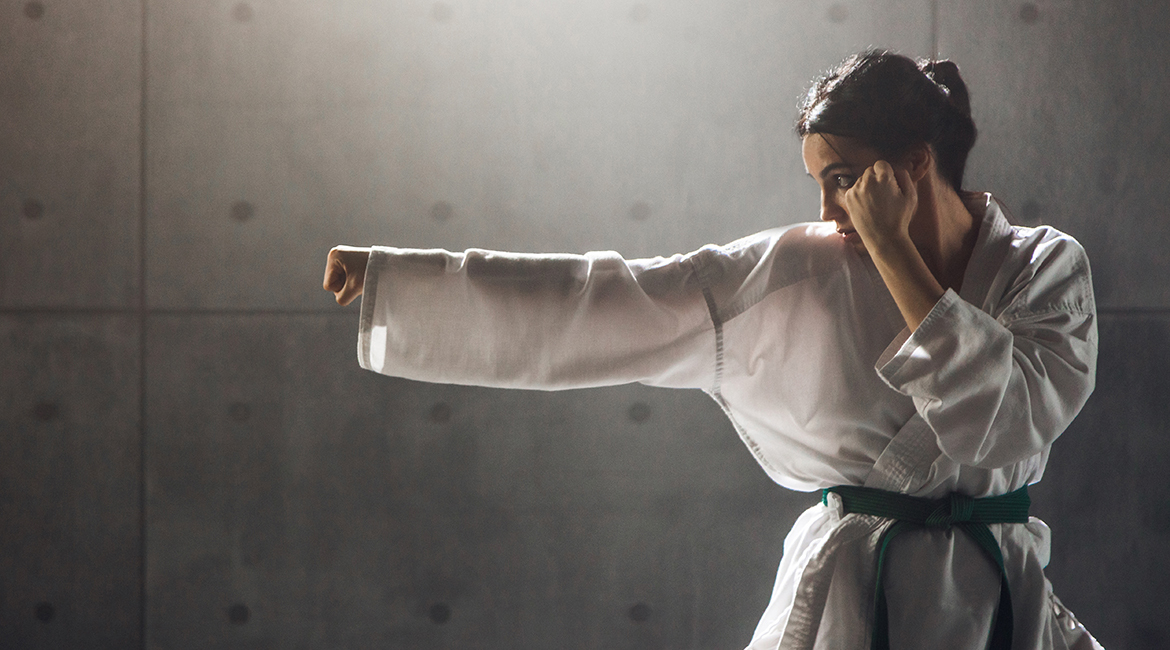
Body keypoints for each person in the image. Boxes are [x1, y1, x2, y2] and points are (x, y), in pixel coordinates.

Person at [322, 51, 1104, 649]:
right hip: (849, 605)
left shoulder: (1043, 268)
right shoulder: (797, 269)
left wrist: (897, 257)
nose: (828, 211)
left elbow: (1004, 423)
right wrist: (404, 282)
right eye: (818, 185)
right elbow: (609, 298)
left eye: (843, 180)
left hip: (1001, 603)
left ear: (914, 167)